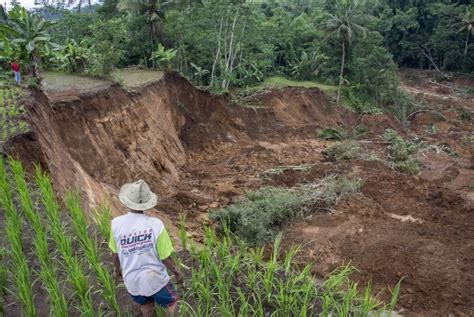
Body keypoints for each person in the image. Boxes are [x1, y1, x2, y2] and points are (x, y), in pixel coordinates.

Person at [109, 179, 183, 317]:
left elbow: (115, 254)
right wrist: (177, 271)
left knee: (146, 307)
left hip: (132, 279)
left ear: (127, 201)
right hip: (155, 279)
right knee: (171, 303)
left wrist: (117, 271)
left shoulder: (116, 224)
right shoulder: (155, 225)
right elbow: (165, 256)